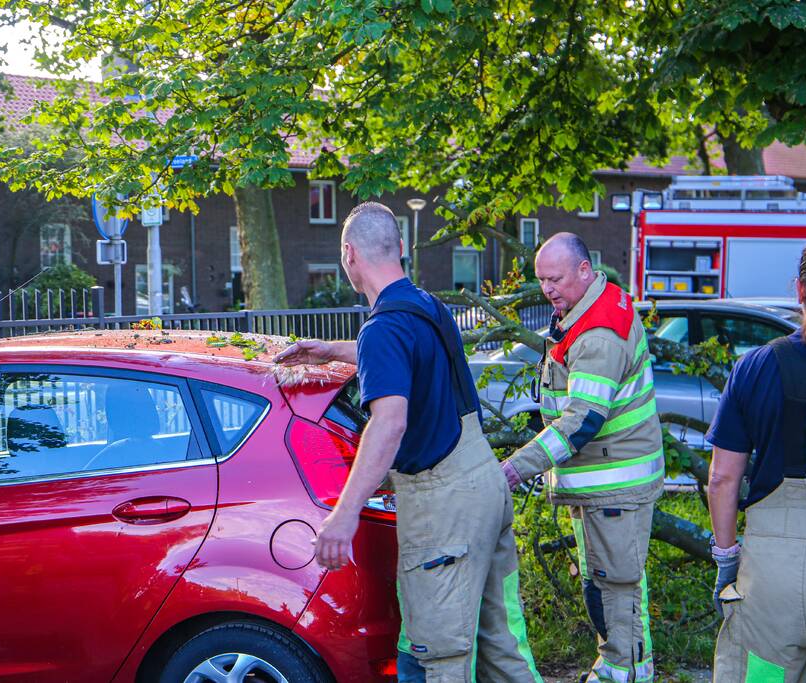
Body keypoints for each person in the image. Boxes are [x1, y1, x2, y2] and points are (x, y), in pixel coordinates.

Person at [275, 201, 541, 683]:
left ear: (349, 255)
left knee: (439, 657)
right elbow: (398, 354)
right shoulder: (426, 306)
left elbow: (389, 424)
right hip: (485, 485)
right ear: (399, 247)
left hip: (444, 508)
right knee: (500, 649)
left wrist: (344, 514)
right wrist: (333, 350)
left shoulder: (385, 328)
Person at [500, 233, 663, 683]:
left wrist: (515, 469)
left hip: (614, 486)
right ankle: (620, 668)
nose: (547, 289)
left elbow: (582, 420)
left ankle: (624, 672)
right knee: (608, 584)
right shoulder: (593, 306)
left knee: (616, 588)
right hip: (606, 482)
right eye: (541, 280)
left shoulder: (597, 333)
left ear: (584, 270)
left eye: (555, 279)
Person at [706, 239, 806, 682]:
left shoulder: (757, 366)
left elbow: (722, 479)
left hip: (772, 572)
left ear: (800, 290)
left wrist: (727, 561)